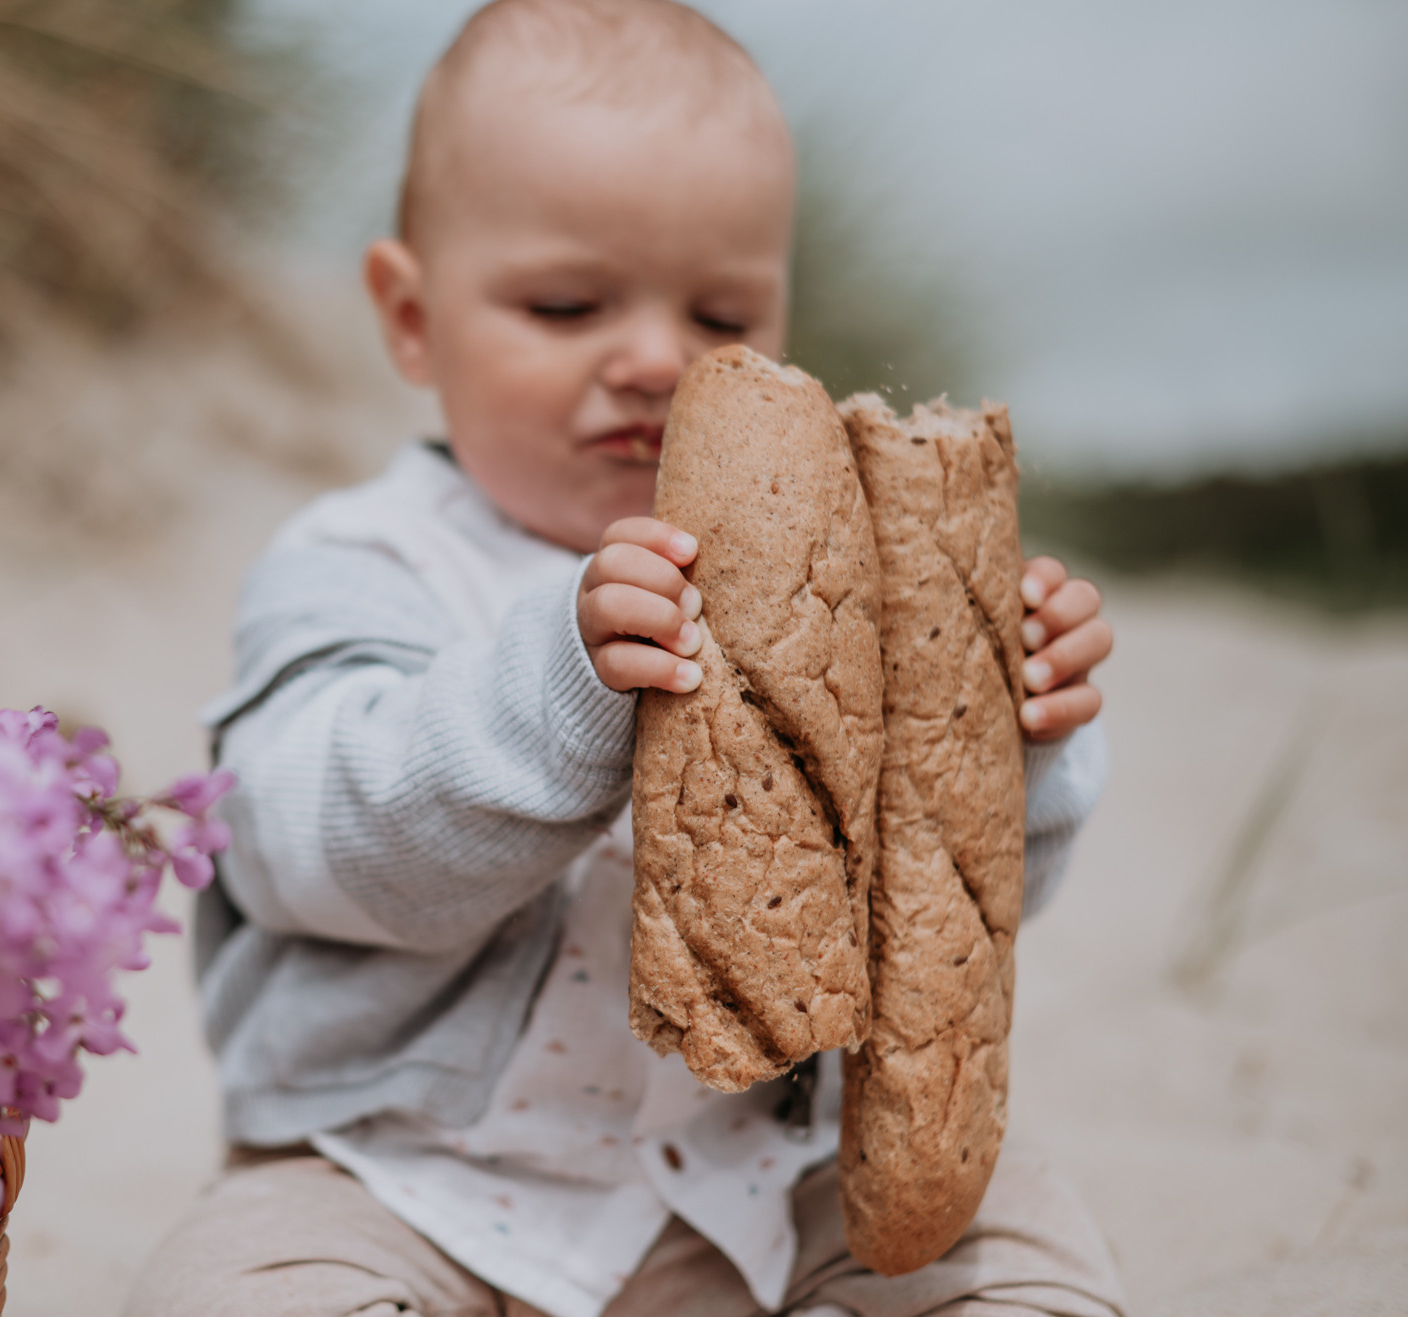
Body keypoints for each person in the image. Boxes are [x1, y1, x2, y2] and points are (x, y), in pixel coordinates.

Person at [126, 2, 1122, 1314]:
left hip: (753, 1184)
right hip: (398, 1182)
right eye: (565, 302)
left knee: (1016, 1249)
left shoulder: (845, 576)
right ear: (412, 317)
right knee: (241, 1287)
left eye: (722, 313)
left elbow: (943, 918)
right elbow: (302, 842)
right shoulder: (360, 559)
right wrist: (565, 688)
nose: (656, 357)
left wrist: (1011, 737)